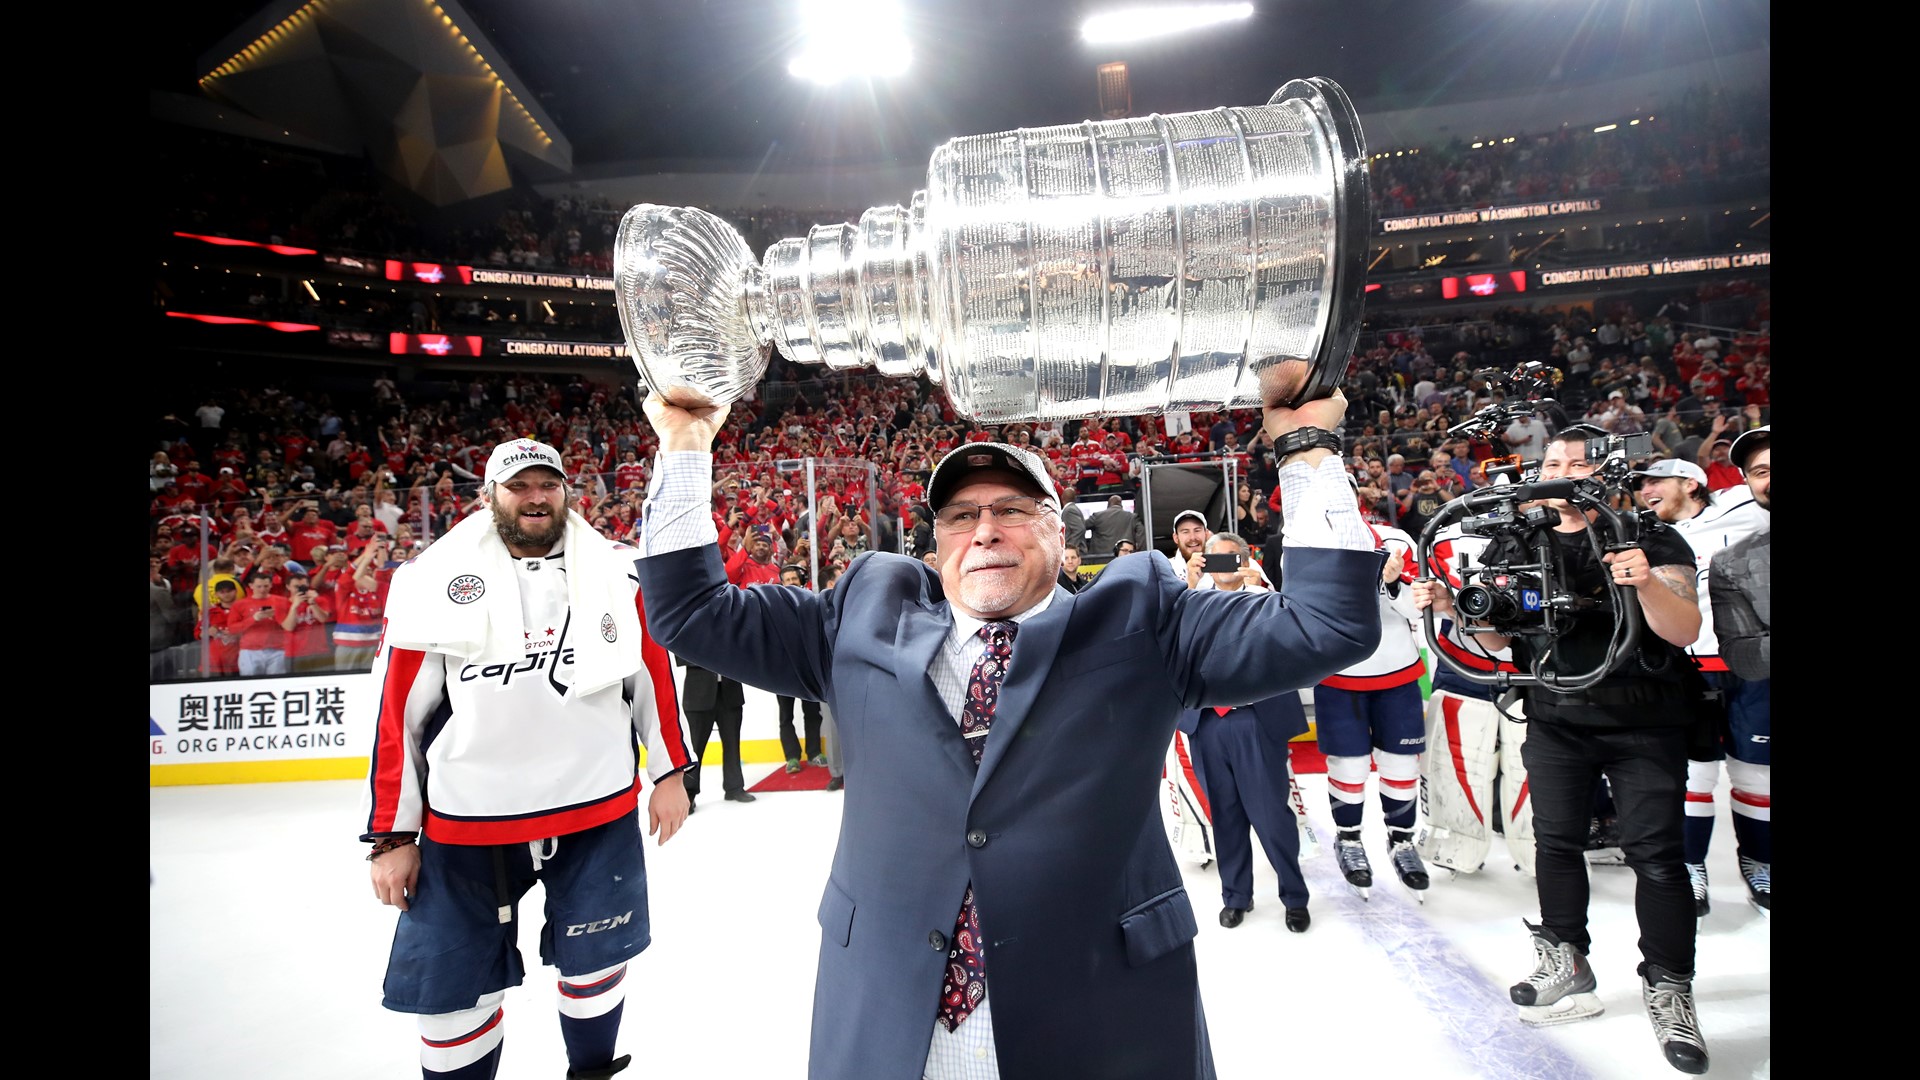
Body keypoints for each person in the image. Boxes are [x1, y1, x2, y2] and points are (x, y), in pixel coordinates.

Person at [635, 387, 1380, 1080]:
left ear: (1061, 533)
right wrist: (684, 444)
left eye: (1013, 510)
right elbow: (687, 614)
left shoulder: (1142, 616)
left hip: (1101, 1019)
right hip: (891, 1018)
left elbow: (1328, 624)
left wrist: (1305, 445)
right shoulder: (861, 612)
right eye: (960, 516)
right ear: (935, 548)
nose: (985, 529)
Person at [359, 438, 693, 1080]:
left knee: (598, 961)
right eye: (520, 487)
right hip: (467, 821)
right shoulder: (431, 582)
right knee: (453, 996)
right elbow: (396, 715)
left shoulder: (619, 574)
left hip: (595, 807)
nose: (536, 497)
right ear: (490, 498)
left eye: (548, 484)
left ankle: (592, 1071)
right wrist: (391, 837)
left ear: (568, 492)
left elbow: (651, 675)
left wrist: (670, 773)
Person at [1413, 428, 1710, 1074]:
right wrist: (1454, 607)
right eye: (1552, 461)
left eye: (1577, 461)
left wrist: (1646, 583)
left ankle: (1668, 987)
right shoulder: (1519, 540)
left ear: (1606, 470)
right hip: (1554, 718)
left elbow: (1684, 628)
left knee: (1657, 857)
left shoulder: (1647, 532)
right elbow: (1498, 644)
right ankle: (1566, 958)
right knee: (1555, 844)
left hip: (1643, 719)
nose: (1563, 471)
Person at [1628, 456, 1768, 918]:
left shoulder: (1743, 507)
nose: (1644, 489)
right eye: (1640, 484)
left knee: (1756, 773)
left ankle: (1758, 861)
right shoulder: (1644, 535)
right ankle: (1691, 867)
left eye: (1655, 481)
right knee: (1695, 775)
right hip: (1686, 667)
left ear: (1691, 482)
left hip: (1751, 663)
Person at [1175, 533, 1312, 932]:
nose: (1222, 568)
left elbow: (1290, 640)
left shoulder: (1268, 597)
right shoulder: (1189, 599)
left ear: (1245, 559)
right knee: (1226, 816)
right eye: (1214, 560)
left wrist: (1260, 589)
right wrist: (1186, 584)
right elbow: (1169, 643)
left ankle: (1294, 894)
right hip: (1208, 722)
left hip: (1256, 719)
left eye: (1230, 560)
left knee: (1271, 815)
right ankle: (1235, 895)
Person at [1315, 511, 1429, 900]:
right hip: (1337, 675)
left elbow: (1419, 609)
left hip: (1396, 672)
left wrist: (1395, 582)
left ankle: (1402, 842)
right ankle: (1349, 839)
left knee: (1401, 763)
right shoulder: (1306, 545)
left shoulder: (1395, 540)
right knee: (1349, 765)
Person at [1704, 425, 1770, 915]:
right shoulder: (1733, 562)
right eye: (1760, 471)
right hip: (1761, 691)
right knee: (1756, 777)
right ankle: (1760, 859)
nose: (1769, 479)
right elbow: (1744, 654)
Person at [775, 563, 826, 773]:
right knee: (785, 715)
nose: (790, 584)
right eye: (786, 580)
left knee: (812, 711)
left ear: (801, 581)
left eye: (794, 579)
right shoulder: (774, 606)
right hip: (781, 669)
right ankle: (792, 757)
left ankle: (814, 752)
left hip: (806, 666)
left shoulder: (810, 603)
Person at [228, 568, 291, 675]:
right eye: (259, 586)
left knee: (277, 683)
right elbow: (232, 629)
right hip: (250, 650)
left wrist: (277, 617)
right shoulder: (240, 604)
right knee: (249, 683)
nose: (262, 590)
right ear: (251, 586)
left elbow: (291, 622)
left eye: (266, 586)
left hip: (277, 648)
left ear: (271, 585)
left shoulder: (282, 601)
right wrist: (254, 619)